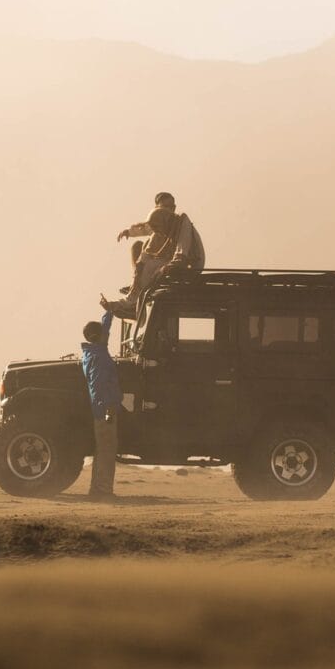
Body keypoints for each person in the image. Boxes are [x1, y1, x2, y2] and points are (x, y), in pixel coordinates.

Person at [108, 192, 206, 319]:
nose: (170, 210)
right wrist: (129, 232)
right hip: (175, 260)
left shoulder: (181, 222)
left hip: (190, 265)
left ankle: (134, 297)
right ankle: (136, 289)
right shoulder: (162, 222)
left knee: (148, 263)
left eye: (172, 207)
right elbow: (148, 228)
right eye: (165, 207)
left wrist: (164, 268)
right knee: (139, 248)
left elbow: (182, 252)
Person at [81, 302, 122, 500]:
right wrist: (107, 410)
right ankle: (102, 491)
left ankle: (98, 489)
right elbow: (97, 388)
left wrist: (109, 310)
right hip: (104, 409)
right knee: (106, 451)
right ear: (98, 337)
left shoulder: (94, 352)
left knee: (104, 449)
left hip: (103, 408)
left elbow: (104, 328)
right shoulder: (98, 358)